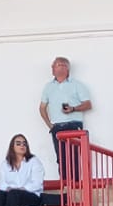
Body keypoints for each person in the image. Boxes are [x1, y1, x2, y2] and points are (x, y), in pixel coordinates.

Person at [39, 55, 92, 185]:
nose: (56, 68)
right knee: (61, 158)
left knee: (74, 156)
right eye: (56, 65)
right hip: (57, 126)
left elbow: (88, 104)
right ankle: (65, 185)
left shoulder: (76, 85)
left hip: (73, 125)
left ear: (66, 68)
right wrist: (50, 125)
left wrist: (73, 109)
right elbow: (42, 108)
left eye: (60, 65)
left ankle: (76, 185)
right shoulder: (48, 87)